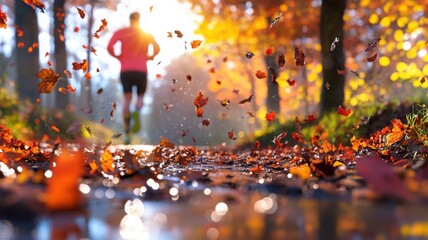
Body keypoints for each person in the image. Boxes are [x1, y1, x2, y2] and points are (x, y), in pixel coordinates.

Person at [107, 12, 160, 144]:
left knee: (126, 100)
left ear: (129, 20)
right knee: (140, 97)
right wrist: (149, 57)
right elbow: (157, 48)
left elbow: (109, 47)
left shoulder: (121, 32)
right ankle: (137, 110)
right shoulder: (146, 34)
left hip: (126, 70)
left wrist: (118, 56)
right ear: (139, 20)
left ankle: (127, 133)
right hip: (141, 70)